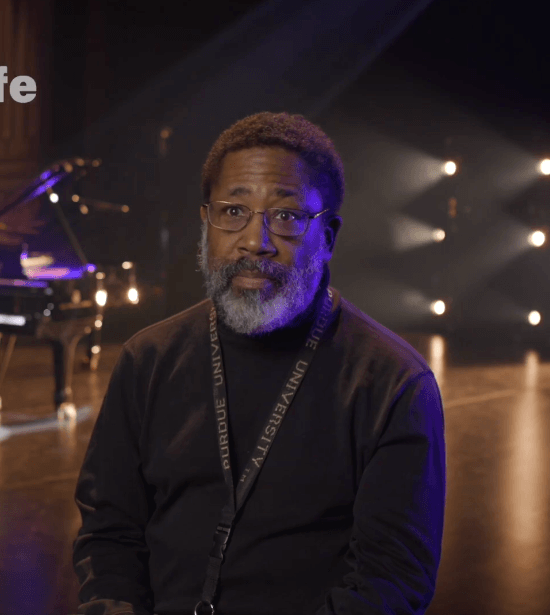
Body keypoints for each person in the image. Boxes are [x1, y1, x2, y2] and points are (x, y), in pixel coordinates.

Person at [73, 112, 445, 615]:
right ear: (206, 224)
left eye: (287, 217)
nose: (255, 240)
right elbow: (109, 534)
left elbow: (391, 583)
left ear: (329, 236)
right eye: (233, 211)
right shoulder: (149, 357)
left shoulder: (394, 384)